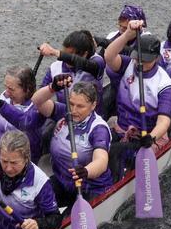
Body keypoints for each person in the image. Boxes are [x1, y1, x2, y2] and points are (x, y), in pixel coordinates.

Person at [104, 20, 171, 181]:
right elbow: (109, 56)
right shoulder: (128, 64)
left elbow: (164, 121)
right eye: (138, 58)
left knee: (116, 155)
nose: (140, 64)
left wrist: (152, 138)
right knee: (97, 147)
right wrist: (128, 34)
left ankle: (116, 183)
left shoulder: (164, 85)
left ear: (157, 58)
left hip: (146, 138)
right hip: (122, 130)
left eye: (146, 60)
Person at [31, 77, 113, 207]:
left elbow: (101, 162)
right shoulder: (65, 112)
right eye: (71, 104)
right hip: (63, 182)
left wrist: (86, 171)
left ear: (93, 105)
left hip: (90, 187)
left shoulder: (98, 128)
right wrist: (52, 87)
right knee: (34, 199)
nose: (74, 110)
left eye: (80, 106)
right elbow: (37, 102)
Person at [0, 66, 47, 162]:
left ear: (27, 90)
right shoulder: (7, 98)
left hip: (15, 162)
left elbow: (22, 122)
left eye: (11, 89)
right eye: (6, 87)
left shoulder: (37, 109)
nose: (7, 92)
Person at [38, 30, 106, 110]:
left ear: (85, 54)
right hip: (64, 116)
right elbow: (41, 92)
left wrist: (54, 52)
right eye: (65, 52)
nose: (65, 59)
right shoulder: (55, 67)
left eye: (69, 54)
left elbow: (79, 61)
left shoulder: (97, 62)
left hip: (90, 118)